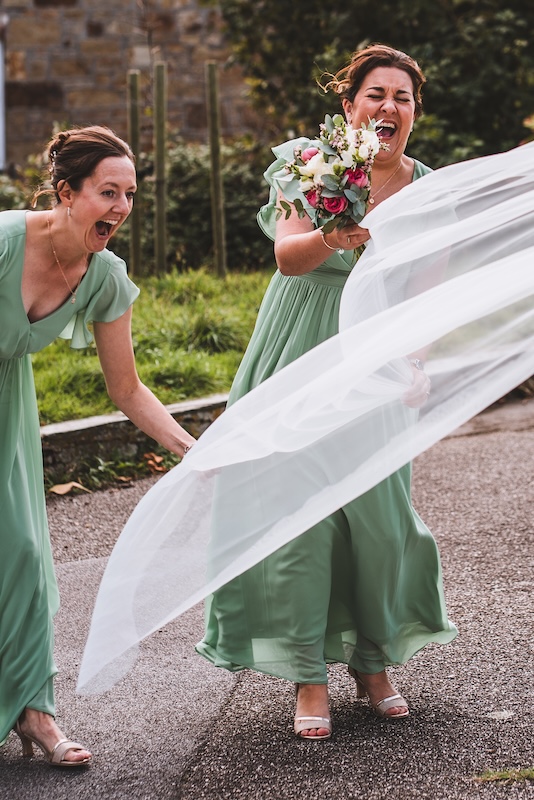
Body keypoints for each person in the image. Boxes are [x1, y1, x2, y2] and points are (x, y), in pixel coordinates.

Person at [195, 44, 458, 739]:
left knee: (377, 516)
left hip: (373, 355)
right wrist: (334, 237)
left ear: (414, 113)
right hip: (298, 344)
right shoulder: (307, 164)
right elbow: (287, 254)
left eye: (402, 97)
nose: (388, 108)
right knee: (299, 515)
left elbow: (425, 297)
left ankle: (374, 662)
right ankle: (309, 675)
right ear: (349, 106)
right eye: (376, 95)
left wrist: (417, 364)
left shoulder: (429, 190)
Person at [0, 125, 195, 766]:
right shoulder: (5, 242)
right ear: (65, 193)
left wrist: (189, 449)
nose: (121, 207)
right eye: (108, 192)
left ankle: (36, 712)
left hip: (10, 416)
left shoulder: (104, 275)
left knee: (24, 556)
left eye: (130, 195)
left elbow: (129, 388)